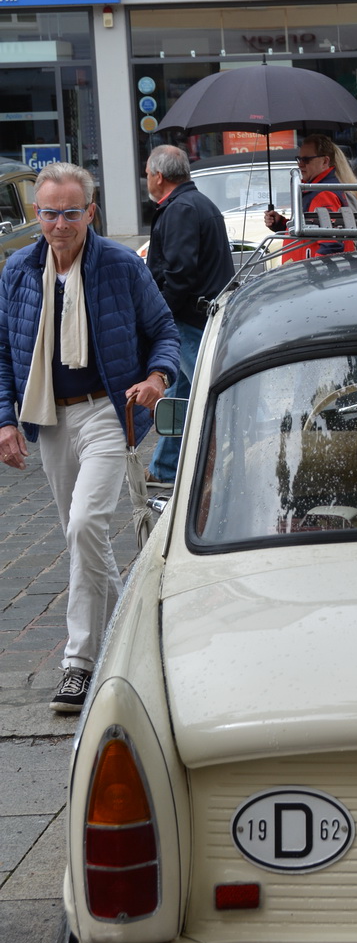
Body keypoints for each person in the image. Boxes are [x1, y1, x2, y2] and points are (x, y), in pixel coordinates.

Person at [0, 163, 179, 713]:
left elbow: (165, 332)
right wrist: (5, 420)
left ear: (90, 213)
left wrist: (156, 377)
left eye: (70, 213)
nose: (59, 223)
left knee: (85, 523)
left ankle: (78, 664)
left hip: (107, 409)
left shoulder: (121, 265)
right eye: (49, 212)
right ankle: (135, 624)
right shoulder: (18, 270)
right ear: (37, 213)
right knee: (82, 535)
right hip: (48, 416)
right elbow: (4, 353)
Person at [143, 145, 234, 485]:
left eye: (148, 174)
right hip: (197, 315)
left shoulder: (181, 208)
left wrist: (158, 316)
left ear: (159, 176)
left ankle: (225, 462)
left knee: (204, 393)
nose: (147, 180)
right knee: (182, 394)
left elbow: (180, 274)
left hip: (189, 318)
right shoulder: (194, 203)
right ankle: (165, 468)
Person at [265, 134, 357, 262]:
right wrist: (281, 224)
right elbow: (310, 230)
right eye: (299, 159)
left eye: (306, 159)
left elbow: (331, 244)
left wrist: (316, 274)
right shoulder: (316, 189)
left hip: (314, 276)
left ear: (325, 161)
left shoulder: (323, 194)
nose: (300, 165)